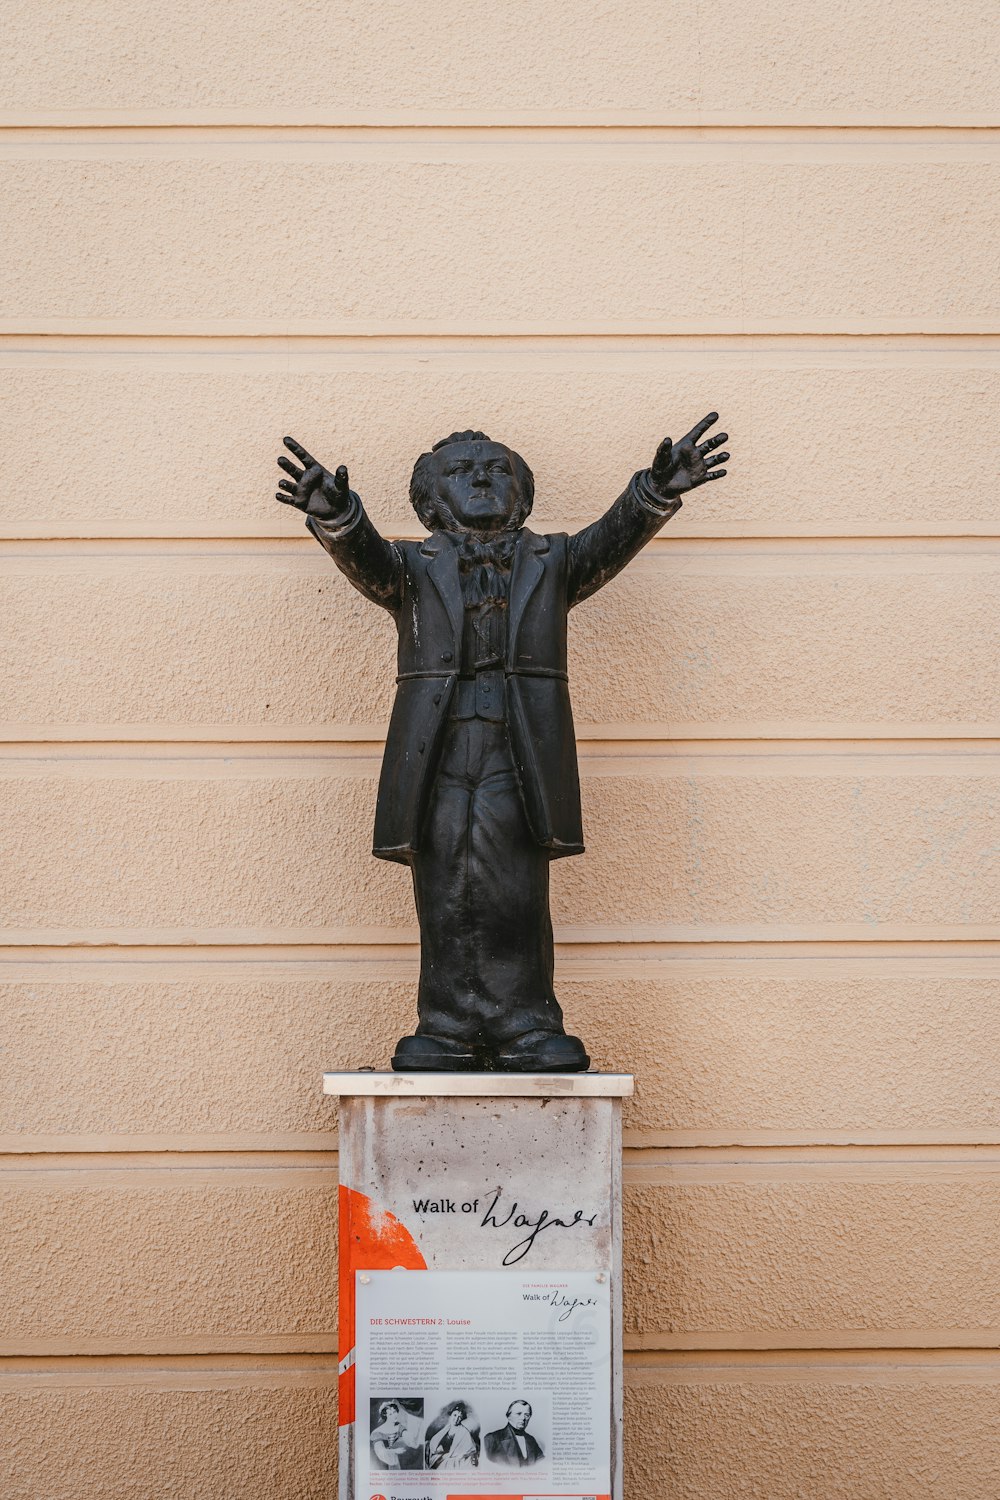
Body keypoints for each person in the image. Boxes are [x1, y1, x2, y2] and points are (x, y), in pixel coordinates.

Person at [275, 418, 730, 1071]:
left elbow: (611, 540)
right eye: (464, 471)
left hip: (519, 747)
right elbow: (368, 561)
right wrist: (338, 514)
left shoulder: (552, 561)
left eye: (497, 469)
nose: (483, 476)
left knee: (514, 888)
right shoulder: (413, 564)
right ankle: (445, 1026)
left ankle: (526, 1024)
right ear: (431, 502)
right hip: (434, 751)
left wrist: (654, 491)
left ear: (522, 495)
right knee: (443, 886)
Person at [484, 1399, 543, 1466]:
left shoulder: (531, 1440)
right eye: (518, 1414)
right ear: (508, 1416)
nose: (523, 1418)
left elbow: (542, 1465)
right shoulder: (491, 1439)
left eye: (527, 1415)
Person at [370, 1400, 423, 1470]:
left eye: (394, 1412)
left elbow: (408, 1438)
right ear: (385, 1416)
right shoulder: (377, 1432)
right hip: (387, 1465)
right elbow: (380, 1452)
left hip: (404, 1462)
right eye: (390, 1414)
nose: (394, 1415)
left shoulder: (399, 1427)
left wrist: (411, 1436)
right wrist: (395, 1451)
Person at [426, 1401, 479, 1469]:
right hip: (440, 1456)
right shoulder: (446, 1429)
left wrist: (450, 1455)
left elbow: (470, 1450)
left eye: (459, 1417)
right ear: (451, 1415)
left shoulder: (464, 1432)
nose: (456, 1419)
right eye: (455, 1415)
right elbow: (435, 1443)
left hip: (453, 1459)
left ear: (462, 1419)